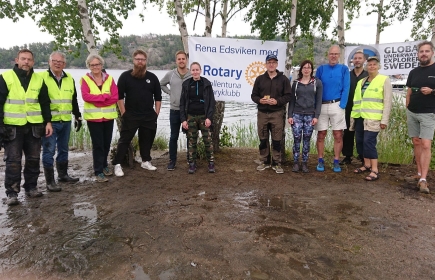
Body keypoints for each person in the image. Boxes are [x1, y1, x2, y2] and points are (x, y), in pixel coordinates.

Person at [0, 49, 53, 206]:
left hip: (34, 126)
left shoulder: (38, 79)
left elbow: (45, 103)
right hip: (12, 126)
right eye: (23, 59)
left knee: (33, 159)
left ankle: (31, 187)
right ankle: (12, 192)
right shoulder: (6, 77)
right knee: (13, 161)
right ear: (17, 60)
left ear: (33, 62)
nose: (26, 62)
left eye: (29, 59)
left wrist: (48, 122)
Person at [113, 49, 162, 176]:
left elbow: (158, 97)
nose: (140, 61)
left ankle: (145, 161)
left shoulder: (152, 77)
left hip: (148, 115)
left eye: (142, 59)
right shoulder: (125, 76)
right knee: (124, 140)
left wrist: (156, 114)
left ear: (146, 61)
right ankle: (117, 164)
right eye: (137, 59)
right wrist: (124, 112)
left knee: (147, 140)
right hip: (131, 115)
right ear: (133, 60)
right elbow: (119, 97)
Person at [40, 51, 82, 192]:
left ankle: (63, 175)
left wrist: (77, 116)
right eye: (54, 61)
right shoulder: (42, 77)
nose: (58, 63)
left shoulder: (69, 78)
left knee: (63, 148)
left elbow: (74, 98)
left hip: (65, 120)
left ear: (64, 64)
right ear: (49, 62)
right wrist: (47, 121)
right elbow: (43, 102)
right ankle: (50, 181)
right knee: (49, 150)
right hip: (50, 122)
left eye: (61, 61)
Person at [351, 56, 393, 181]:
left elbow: (387, 101)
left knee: (369, 142)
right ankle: (366, 164)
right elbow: (357, 101)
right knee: (360, 142)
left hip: (374, 118)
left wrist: (384, 120)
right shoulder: (361, 82)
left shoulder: (384, 80)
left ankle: (375, 169)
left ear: (378, 66)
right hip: (359, 117)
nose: (372, 66)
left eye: (374, 64)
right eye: (369, 65)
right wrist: (353, 117)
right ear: (366, 66)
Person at [80, 54, 118, 182]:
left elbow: (115, 97)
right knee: (98, 145)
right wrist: (103, 98)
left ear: (101, 65)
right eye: (92, 65)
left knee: (106, 143)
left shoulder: (110, 79)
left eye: (97, 64)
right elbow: (86, 97)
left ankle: (105, 165)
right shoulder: (85, 79)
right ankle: (98, 170)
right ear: (89, 66)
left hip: (108, 117)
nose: (95, 67)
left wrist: (99, 100)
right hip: (94, 118)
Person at [251, 54, 292, 174]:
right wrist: (260, 100)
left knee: (277, 139)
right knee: (263, 138)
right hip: (262, 113)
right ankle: (264, 161)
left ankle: (276, 162)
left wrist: (277, 101)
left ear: (277, 64)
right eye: (269, 62)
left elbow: (288, 96)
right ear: (266, 64)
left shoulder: (283, 79)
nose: (271, 64)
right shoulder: (260, 79)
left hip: (277, 113)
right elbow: (253, 95)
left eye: (274, 62)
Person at [405, 41, 435, 193]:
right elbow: (409, 89)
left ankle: (424, 179)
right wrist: (407, 104)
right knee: (416, 142)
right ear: (418, 54)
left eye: (426, 51)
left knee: (425, 144)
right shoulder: (414, 72)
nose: (423, 54)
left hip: (429, 113)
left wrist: (432, 91)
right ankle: (418, 173)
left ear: (432, 53)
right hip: (412, 112)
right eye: (421, 51)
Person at [315, 45, 350, 172]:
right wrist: (316, 105)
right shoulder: (321, 69)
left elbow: (346, 87)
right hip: (322, 105)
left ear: (339, 55)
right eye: (331, 54)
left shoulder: (344, 69)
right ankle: (320, 159)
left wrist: (342, 105)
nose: (333, 56)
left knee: (338, 134)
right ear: (328, 55)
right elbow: (316, 87)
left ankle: (336, 160)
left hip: (337, 104)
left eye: (336, 54)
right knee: (321, 134)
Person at [180, 62, 216, 174]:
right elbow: (182, 103)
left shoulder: (206, 84)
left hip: (204, 116)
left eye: (197, 70)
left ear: (200, 70)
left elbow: (211, 103)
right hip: (190, 116)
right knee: (192, 141)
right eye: (193, 70)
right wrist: (183, 120)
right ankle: (192, 164)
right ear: (190, 71)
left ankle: (211, 163)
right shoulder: (186, 84)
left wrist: (209, 117)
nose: (195, 72)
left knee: (207, 140)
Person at [288, 60, 323, 173]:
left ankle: (304, 163)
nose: (306, 69)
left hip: (310, 115)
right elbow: (292, 101)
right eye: (304, 67)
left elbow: (319, 101)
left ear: (312, 70)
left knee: (307, 140)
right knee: (297, 139)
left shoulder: (317, 83)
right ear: (301, 69)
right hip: (297, 114)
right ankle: (296, 162)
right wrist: (290, 115)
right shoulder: (296, 83)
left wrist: (316, 116)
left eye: (309, 67)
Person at [160, 50, 192, 170]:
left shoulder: (191, 74)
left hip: (188, 111)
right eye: (179, 59)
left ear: (186, 60)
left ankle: (190, 159)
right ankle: (172, 161)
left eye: (183, 59)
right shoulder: (171, 74)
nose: (181, 61)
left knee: (190, 136)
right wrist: (171, 93)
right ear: (176, 61)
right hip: (175, 110)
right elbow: (161, 84)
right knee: (174, 136)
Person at [340, 50, 368, 165]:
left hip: (363, 109)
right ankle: (347, 156)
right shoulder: (348, 75)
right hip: (348, 107)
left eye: (359, 58)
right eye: (355, 58)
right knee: (347, 132)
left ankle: (362, 156)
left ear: (364, 60)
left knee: (362, 133)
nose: (357, 60)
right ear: (352, 61)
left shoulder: (368, 76)